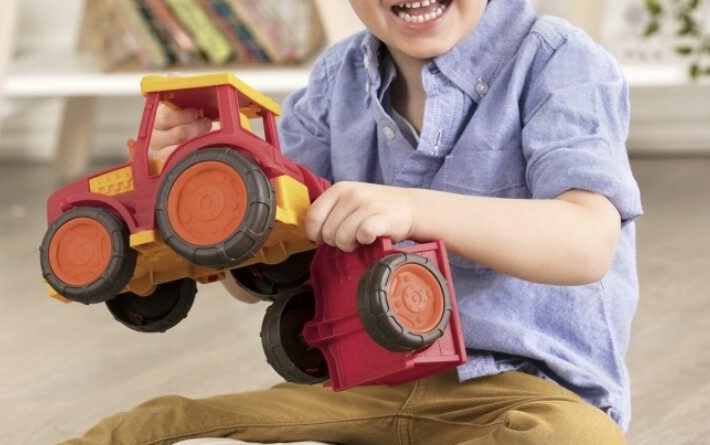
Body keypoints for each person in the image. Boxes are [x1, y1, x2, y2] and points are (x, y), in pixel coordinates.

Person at [63, 0, 641, 443]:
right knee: (148, 429)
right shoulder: (336, 81)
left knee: (573, 439)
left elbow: (586, 242)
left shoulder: (560, 62)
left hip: (521, 398)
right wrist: (209, 201)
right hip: (358, 391)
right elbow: (257, 278)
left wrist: (414, 209)